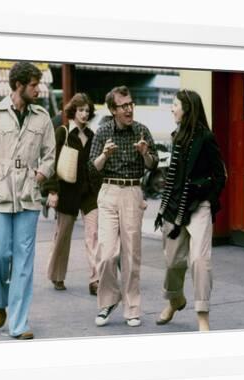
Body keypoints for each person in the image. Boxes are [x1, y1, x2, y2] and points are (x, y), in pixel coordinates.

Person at [0, 61, 55, 340]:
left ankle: (18, 324)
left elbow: (50, 155)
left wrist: (40, 177)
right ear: (18, 85)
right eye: (33, 84)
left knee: (24, 263)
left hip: (29, 198)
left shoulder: (42, 117)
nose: (38, 89)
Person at [154, 89, 226, 331]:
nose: (172, 109)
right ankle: (175, 300)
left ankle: (202, 315)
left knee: (199, 260)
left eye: (175, 105)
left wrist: (208, 198)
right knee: (173, 261)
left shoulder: (206, 138)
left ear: (187, 109)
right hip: (175, 207)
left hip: (200, 205)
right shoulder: (177, 135)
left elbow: (220, 175)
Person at [88, 85, 158, 328]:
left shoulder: (142, 131)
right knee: (107, 253)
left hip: (132, 191)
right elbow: (92, 168)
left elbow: (152, 164)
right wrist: (104, 155)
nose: (129, 109)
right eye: (123, 106)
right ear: (112, 109)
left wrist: (145, 153)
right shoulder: (103, 132)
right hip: (108, 191)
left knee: (131, 254)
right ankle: (108, 301)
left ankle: (133, 308)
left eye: (130, 104)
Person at [42, 93, 102, 295]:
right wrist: (52, 191)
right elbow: (51, 162)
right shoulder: (63, 132)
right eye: (81, 110)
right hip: (66, 191)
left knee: (93, 235)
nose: (84, 114)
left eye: (87, 110)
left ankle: (96, 280)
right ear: (73, 111)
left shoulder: (93, 137)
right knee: (62, 235)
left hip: (89, 193)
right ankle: (57, 276)